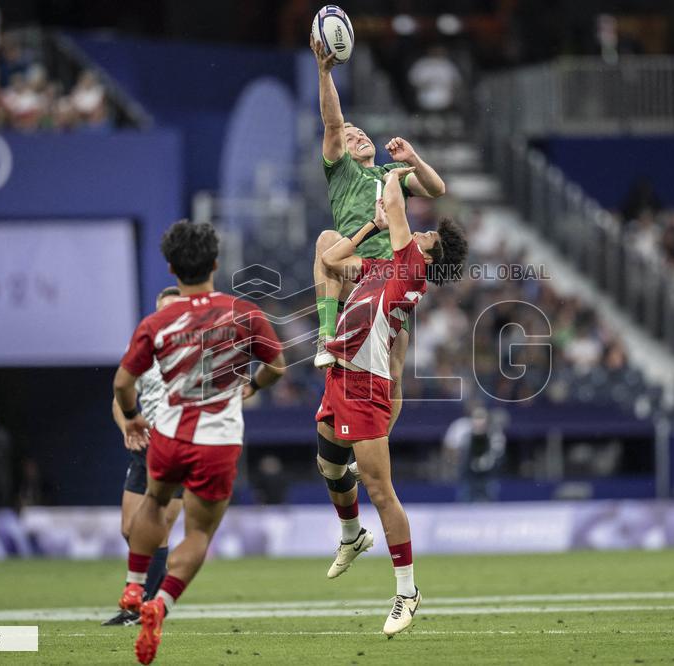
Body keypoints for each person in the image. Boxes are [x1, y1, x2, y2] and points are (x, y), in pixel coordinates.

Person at [113, 221, 286, 664]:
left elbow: (122, 383)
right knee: (199, 531)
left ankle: (134, 583)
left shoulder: (157, 322)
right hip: (218, 441)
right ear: (214, 263)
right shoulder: (243, 313)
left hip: (168, 435)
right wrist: (253, 386)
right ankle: (160, 603)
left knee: (154, 502)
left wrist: (133, 419)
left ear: (171, 268)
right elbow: (278, 366)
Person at [314, 166, 467, 636]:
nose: (419, 232)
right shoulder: (391, 265)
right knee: (329, 466)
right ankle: (352, 535)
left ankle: (407, 591)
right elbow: (332, 260)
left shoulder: (412, 267)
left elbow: (398, 206)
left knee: (382, 492)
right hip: (341, 375)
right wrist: (370, 227)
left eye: (426, 235)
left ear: (428, 255)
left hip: (364, 385)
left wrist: (396, 174)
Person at [309, 35, 447, 436]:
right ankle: (325, 335)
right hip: (359, 269)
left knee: (396, 373)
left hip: (392, 276)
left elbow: (437, 189)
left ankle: (377, 442)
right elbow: (333, 122)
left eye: (361, 133)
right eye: (351, 138)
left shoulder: (391, 175)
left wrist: (412, 159)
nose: (358, 136)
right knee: (325, 242)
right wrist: (324, 72)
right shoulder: (341, 171)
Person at [102, 286, 187, 627]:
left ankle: (140, 606)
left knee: (158, 531)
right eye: (163, 310)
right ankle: (152, 594)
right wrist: (126, 426)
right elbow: (118, 397)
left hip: (177, 448)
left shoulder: (195, 351)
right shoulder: (142, 347)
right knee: (129, 529)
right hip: (143, 450)